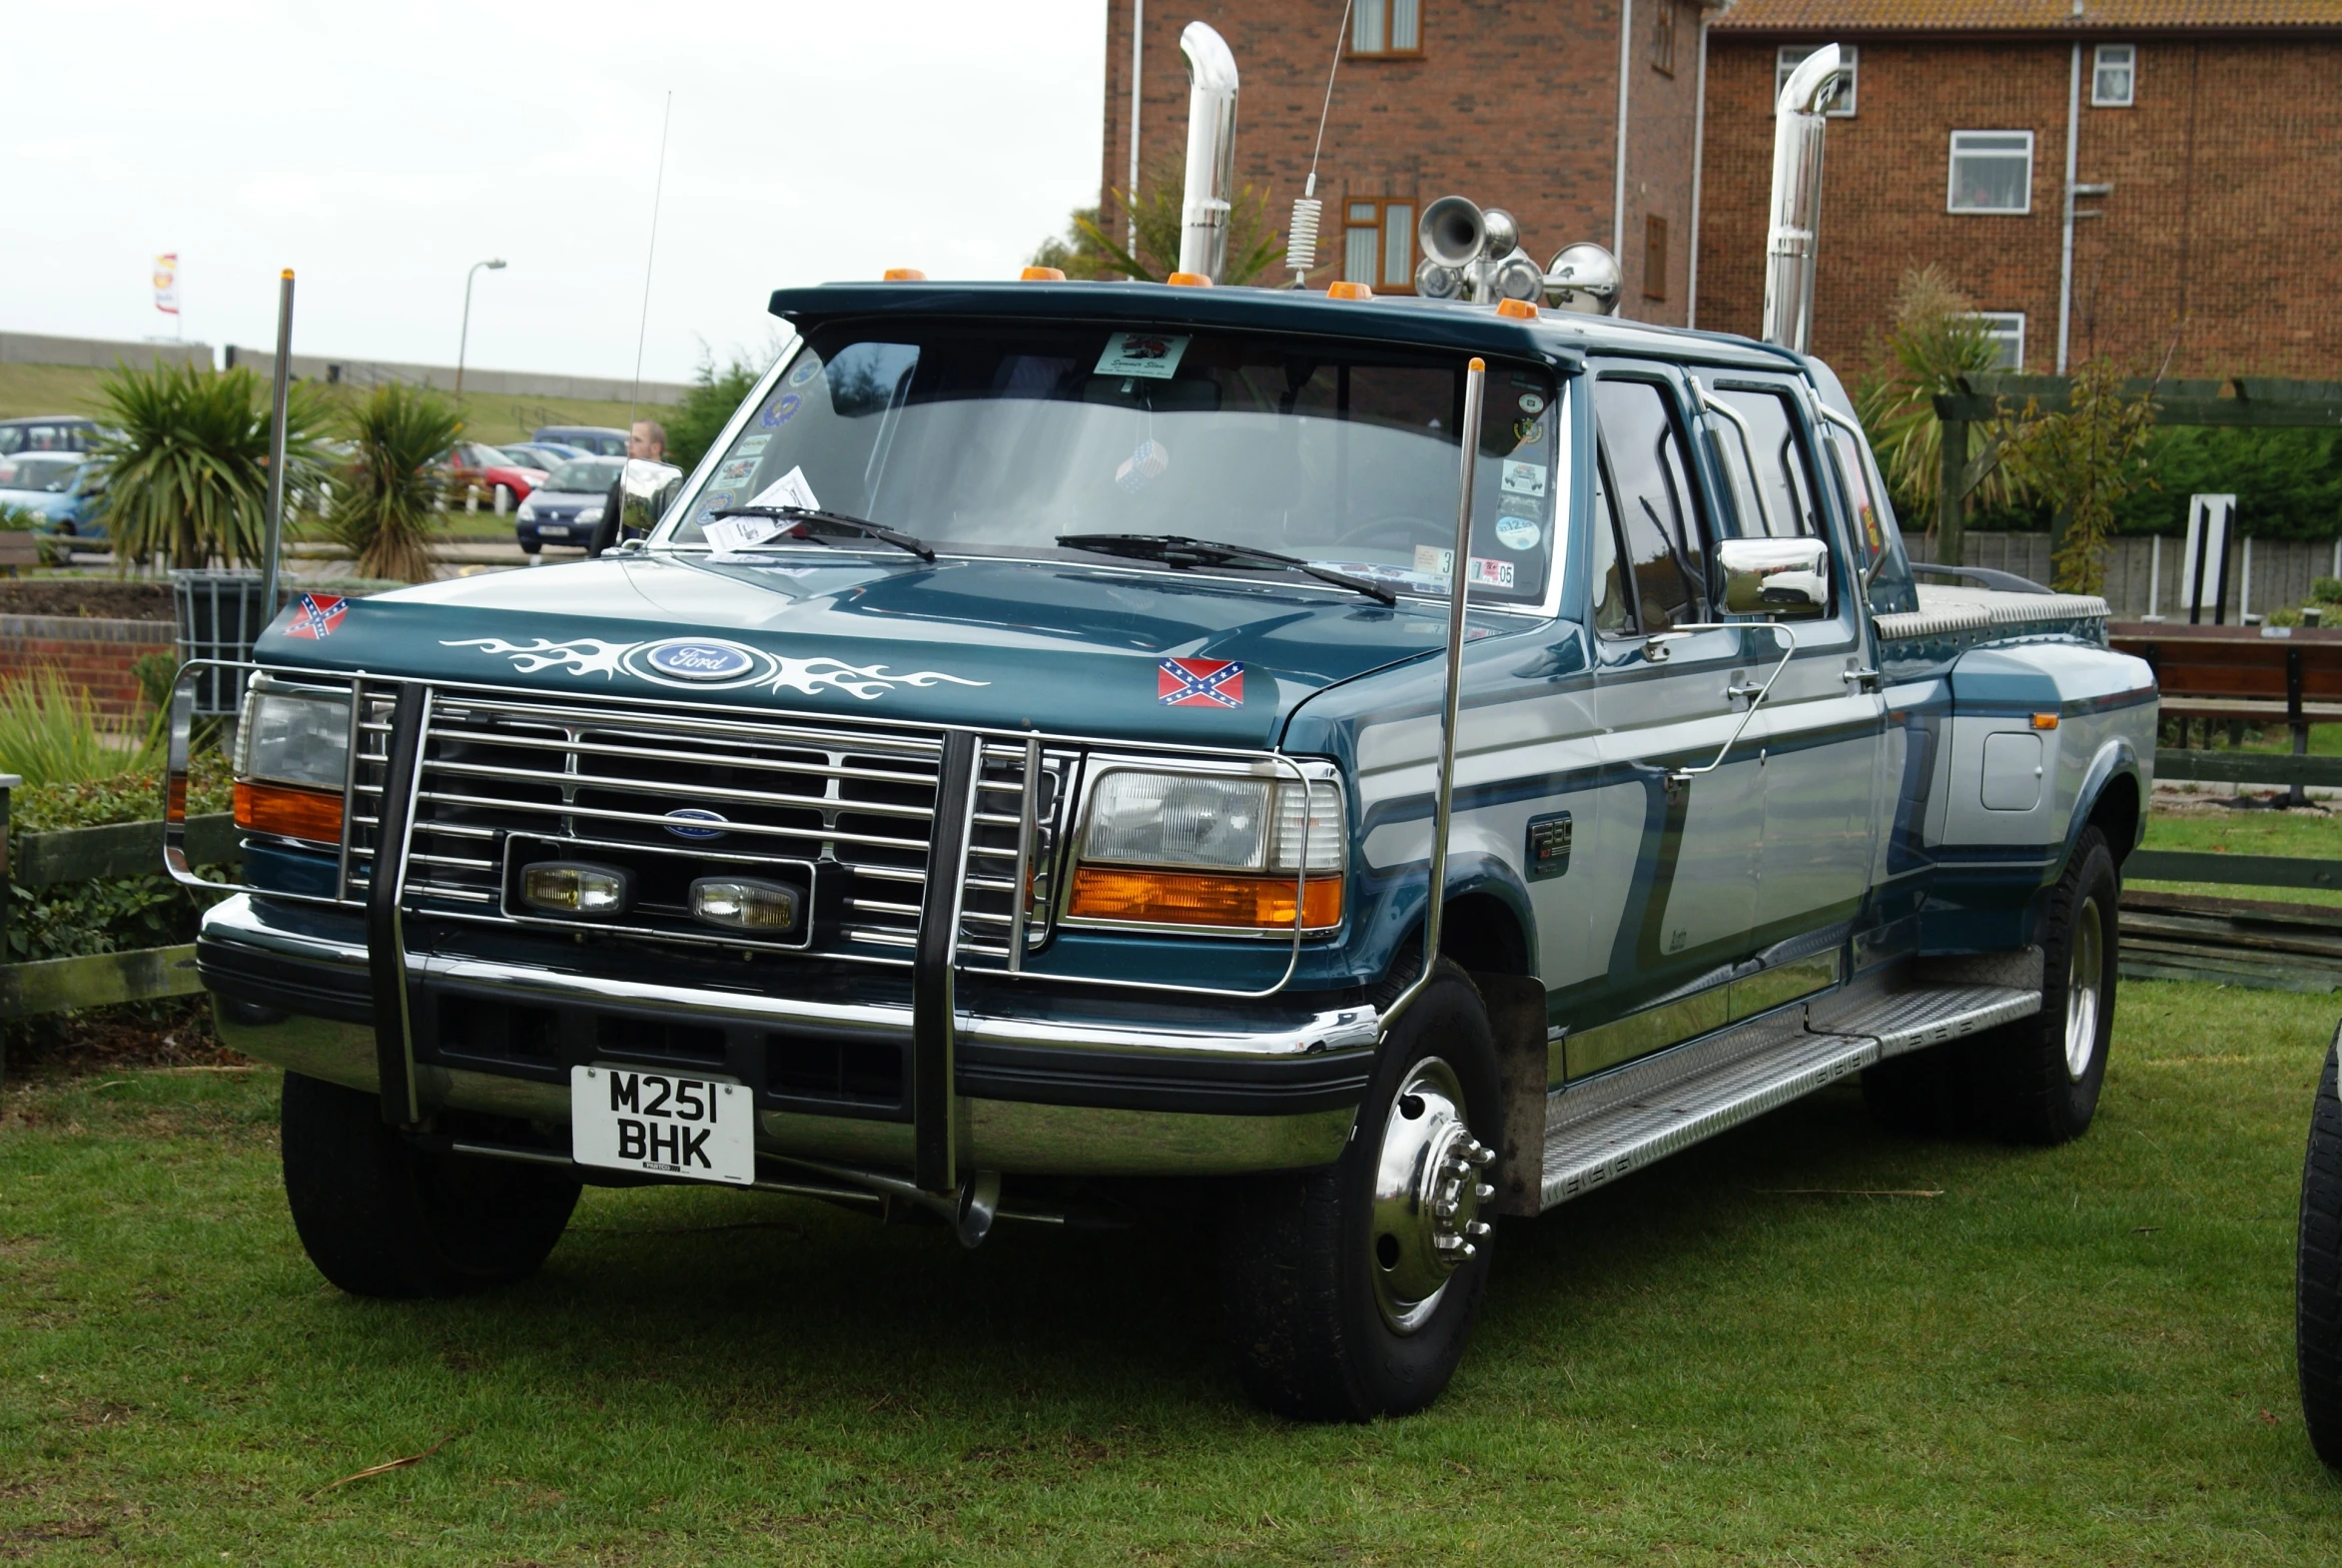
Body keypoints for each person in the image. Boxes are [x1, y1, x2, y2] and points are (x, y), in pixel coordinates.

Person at [587, 418, 672, 557]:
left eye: (637, 440)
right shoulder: (623, 480)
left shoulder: (672, 483)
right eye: (628, 439)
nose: (629, 445)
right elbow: (606, 529)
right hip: (627, 561)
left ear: (655, 448)